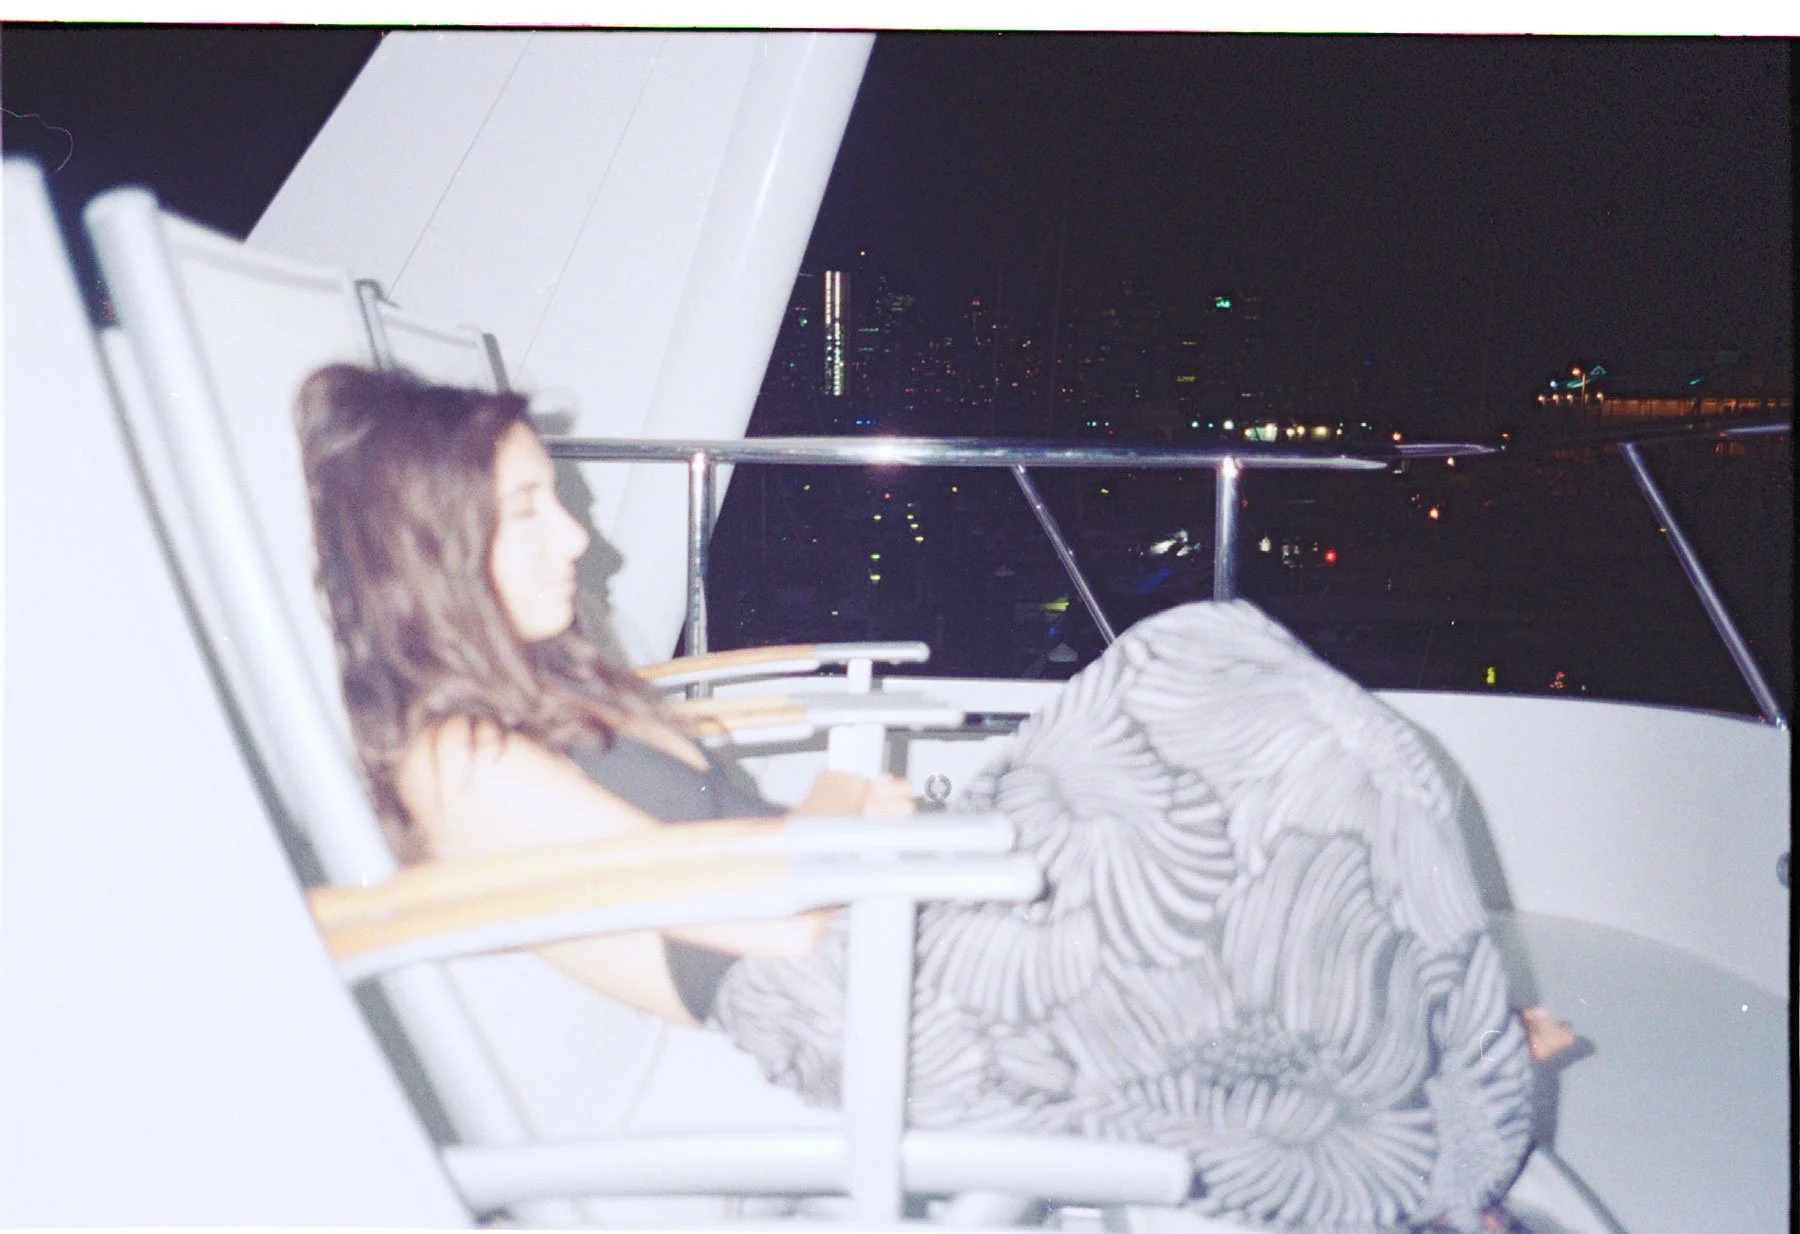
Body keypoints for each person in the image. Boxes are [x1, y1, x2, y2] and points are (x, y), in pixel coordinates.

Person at [299, 365, 1572, 1234]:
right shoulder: (455, 759)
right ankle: (1442, 1074)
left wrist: (857, 814)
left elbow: (757, 851)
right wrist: (854, 807)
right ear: (428, 545)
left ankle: (1411, 1027)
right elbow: (775, 917)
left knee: (1210, 671)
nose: (577, 536)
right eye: (527, 509)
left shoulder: (535, 692)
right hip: (859, 990)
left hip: (874, 913)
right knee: (1278, 741)